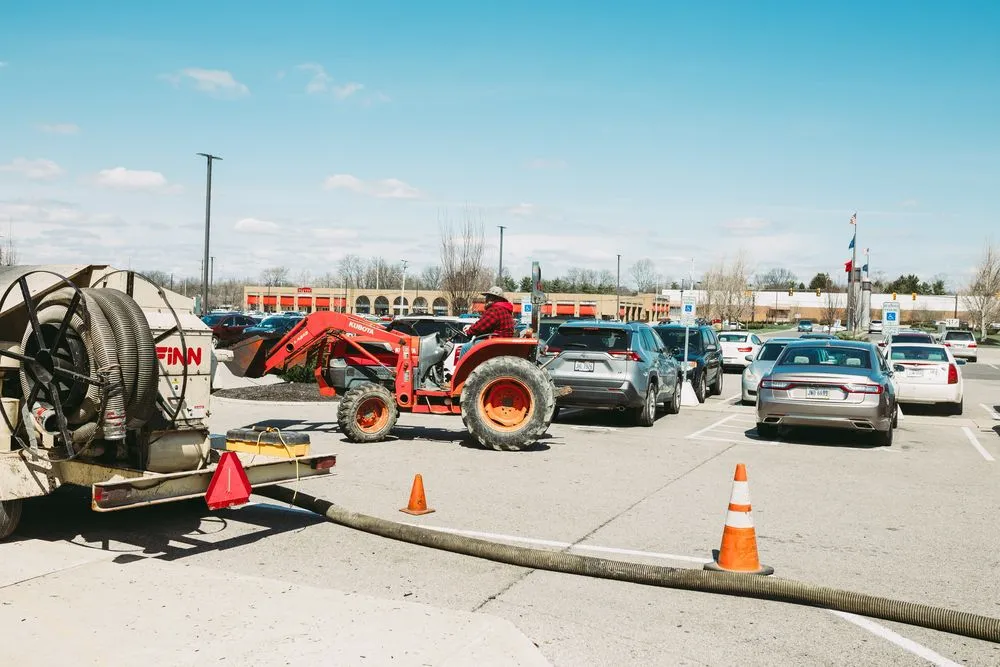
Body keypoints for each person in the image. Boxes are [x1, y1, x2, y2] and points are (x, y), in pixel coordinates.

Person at [457, 286, 516, 360]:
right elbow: (484, 324)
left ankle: (463, 371)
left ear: (495, 299)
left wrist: (469, 331)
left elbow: (480, 327)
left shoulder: (494, 310)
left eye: (489, 297)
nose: (486, 299)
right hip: (501, 342)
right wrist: (471, 327)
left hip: (495, 342)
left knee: (465, 348)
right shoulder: (505, 310)